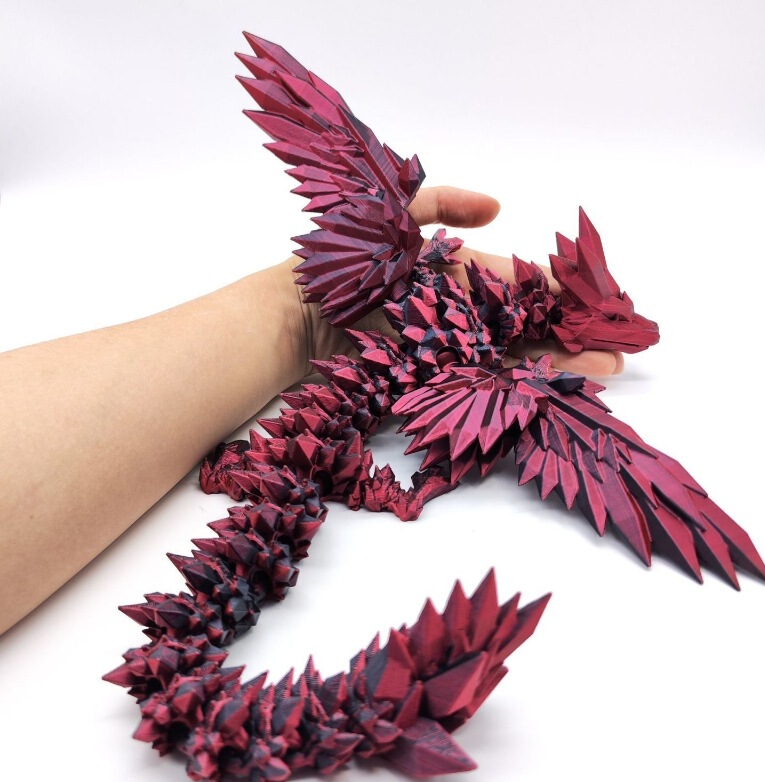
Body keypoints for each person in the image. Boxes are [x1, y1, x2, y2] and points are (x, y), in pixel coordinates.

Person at [0, 186, 623, 635]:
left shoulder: (488, 362)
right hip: (315, 450)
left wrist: (301, 310)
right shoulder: (486, 357)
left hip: (320, 443)